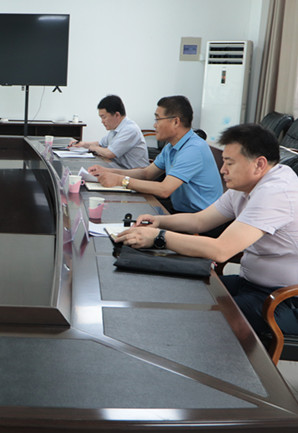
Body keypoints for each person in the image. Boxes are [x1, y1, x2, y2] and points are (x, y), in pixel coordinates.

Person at [117, 123, 298, 337]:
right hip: (250, 284)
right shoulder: (245, 186)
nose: (223, 170)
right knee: (188, 293)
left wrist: (159, 237)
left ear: (259, 164)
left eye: (229, 163)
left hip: (285, 300)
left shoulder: (276, 192)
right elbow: (199, 221)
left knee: (205, 321)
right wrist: (158, 222)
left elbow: (221, 250)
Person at [89, 95, 223, 213]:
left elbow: (164, 189)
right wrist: (108, 171)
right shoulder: (171, 146)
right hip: (182, 209)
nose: (154, 125)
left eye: (158, 119)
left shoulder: (193, 149)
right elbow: (146, 173)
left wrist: (121, 180)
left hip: (202, 218)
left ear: (175, 122)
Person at [69, 95, 149, 169]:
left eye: (104, 117)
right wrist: (83, 144)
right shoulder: (115, 129)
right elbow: (101, 144)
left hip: (134, 174)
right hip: (120, 169)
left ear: (117, 115)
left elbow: (110, 153)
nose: (102, 121)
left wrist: (93, 148)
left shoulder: (130, 129)